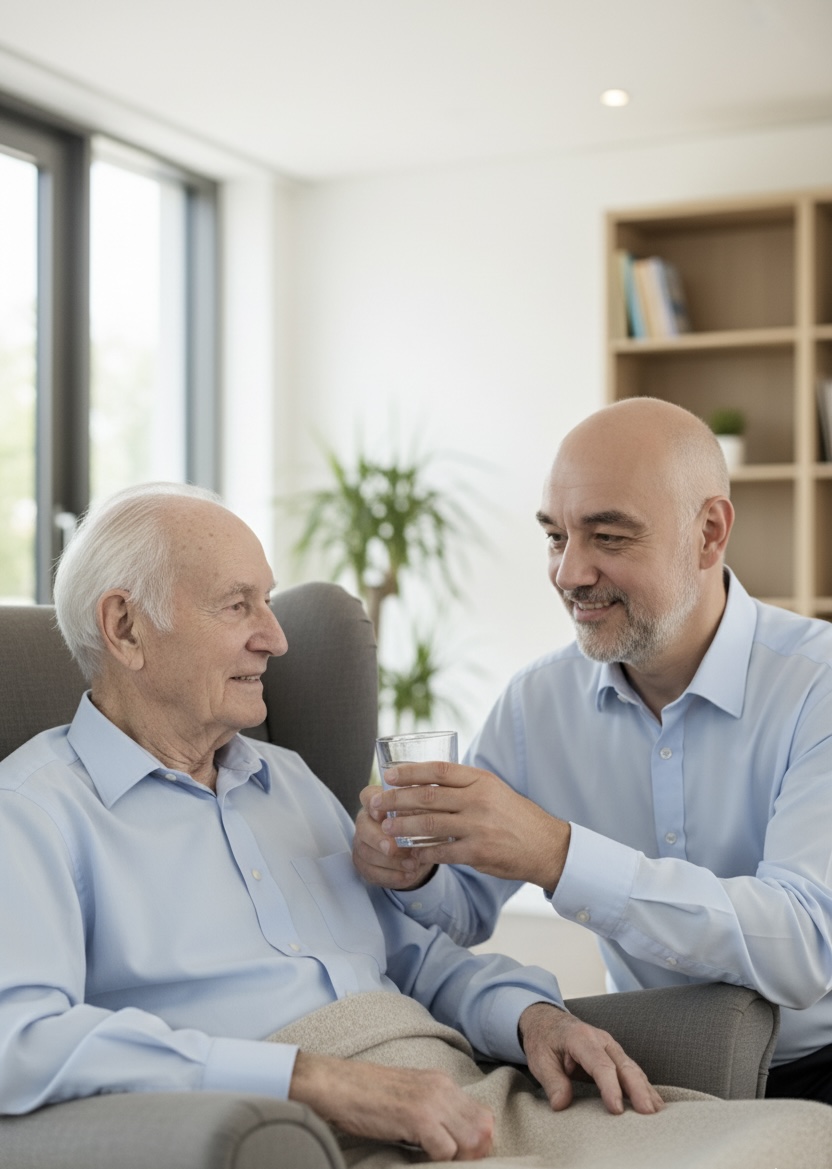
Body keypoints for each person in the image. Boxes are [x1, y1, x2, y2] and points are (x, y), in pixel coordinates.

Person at [0, 481, 668, 1164]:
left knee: (771, 1140)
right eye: (238, 605)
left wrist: (533, 1016)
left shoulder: (285, 778)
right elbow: (18, 1038)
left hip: (457, 1094)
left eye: (269, 600)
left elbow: (419, 959)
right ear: (125, 628)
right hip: (310, 1133)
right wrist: (308, 1080)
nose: (276, 638)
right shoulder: (33, 812)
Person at [353, 396, 832, 1107]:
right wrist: (410, 868)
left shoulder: (816, 684)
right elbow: (462, 909)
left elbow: (803, 946)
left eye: (607, 537)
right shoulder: (535, 703)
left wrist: (558, 852)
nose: (569, 573)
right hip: (648, 1071)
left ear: (708, 534)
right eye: (555, 536)